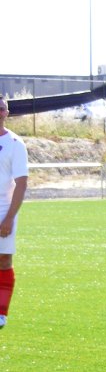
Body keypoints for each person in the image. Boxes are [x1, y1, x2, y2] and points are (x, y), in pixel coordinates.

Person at [0, 97, 28, 329]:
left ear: (7, 113)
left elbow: (21, 183)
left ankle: (1, 313)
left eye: (1, 108)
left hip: (3, 210)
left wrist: (9, 218)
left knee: (3, 259)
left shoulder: (15, 144)